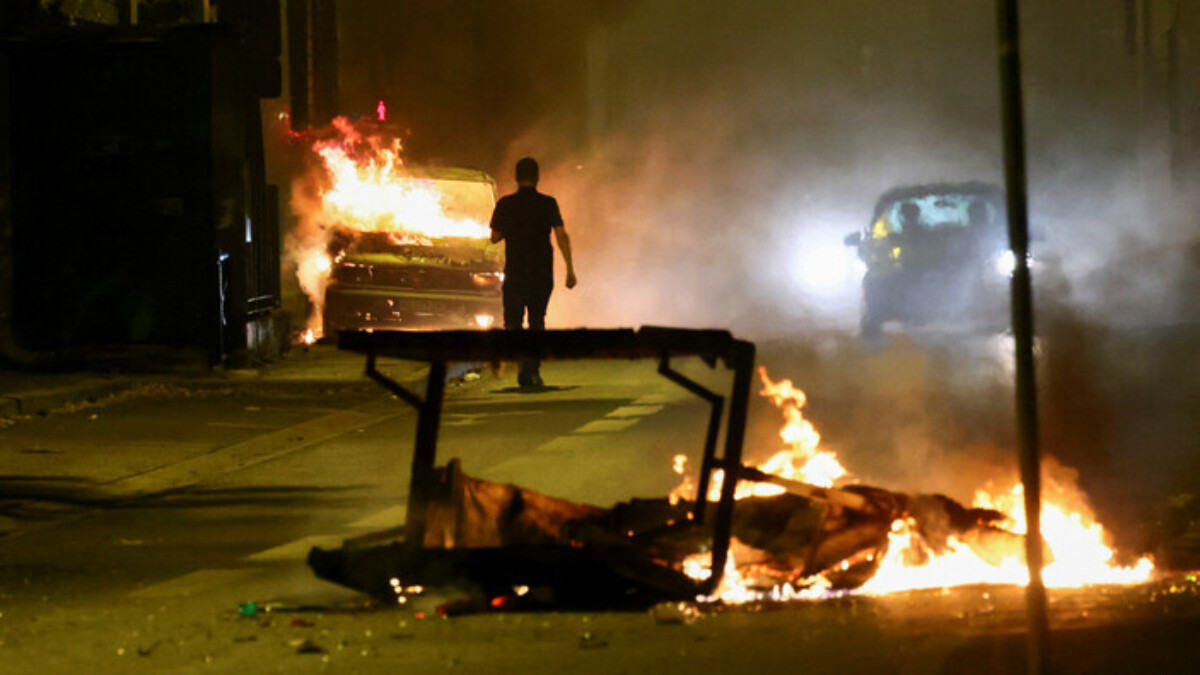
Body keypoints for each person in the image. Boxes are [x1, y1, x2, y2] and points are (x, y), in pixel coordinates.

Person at [489, 157, 577, 390]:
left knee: (514, 322)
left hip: (516, 273)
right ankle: (532, 370)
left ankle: (523, 364)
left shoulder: (506, 204)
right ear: (538, 177)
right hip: (541, 273)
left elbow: (494, 236)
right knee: (537, 320)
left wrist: (511, 230)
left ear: (516, 178)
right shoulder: (548, 204)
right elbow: (561, 236)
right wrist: (570, 269)